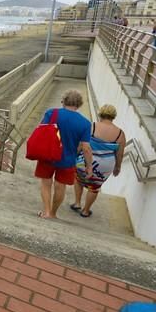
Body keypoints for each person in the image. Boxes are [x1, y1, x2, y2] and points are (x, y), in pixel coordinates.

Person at [35, 90, 93, 219]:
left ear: (64, 101)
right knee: (60, 186)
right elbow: (86, 147)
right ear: (79, 104)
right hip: (68, 159)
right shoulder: (85, 123)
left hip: (48, 155)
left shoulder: (52, 113)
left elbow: (40, 130)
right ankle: (54, 213)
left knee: (46, 183)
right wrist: (89, 166)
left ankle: (46, 212)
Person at [71, 105, 126, 217]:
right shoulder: (120, 134)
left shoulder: (92, 126)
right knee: (95, 187)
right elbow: (119, 154)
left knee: (78, 179)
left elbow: (82, 144)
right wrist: (117, 167)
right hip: (105, 165)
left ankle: (77, 203)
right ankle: (86, 211)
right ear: (113, 116)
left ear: (100, 114)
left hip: (87, 159)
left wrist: (75, 155)